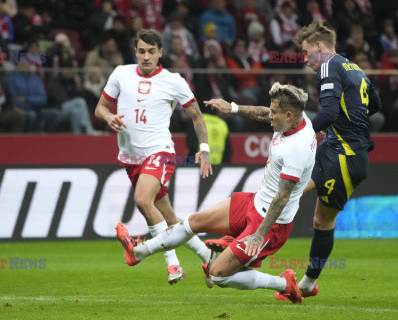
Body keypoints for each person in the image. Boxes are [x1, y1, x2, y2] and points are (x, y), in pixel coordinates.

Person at [117, 82, 316, 303]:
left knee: (217, 275)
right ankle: (138, 253)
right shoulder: (295, 119)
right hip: (254, 202)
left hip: (271, 224)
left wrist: (258, 235)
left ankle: (283, 284)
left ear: (288, 116)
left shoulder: (297, 148)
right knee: (194, 221)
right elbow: (263, 113)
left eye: (274, 113)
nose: (270, 117)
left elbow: (282, 198)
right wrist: (232, 107)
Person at [95, 29, 213, 285]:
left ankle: (172, 265)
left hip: (160, 152)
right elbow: (100, 108)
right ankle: (209, 257)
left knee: (141, 199)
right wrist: (109, 117)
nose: (146, 57)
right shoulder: (120, 74)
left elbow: (196, 115)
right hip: (131, 158)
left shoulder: (173, 81)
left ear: (160, 52)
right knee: (170, 219)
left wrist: (204, 150)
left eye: (151, 51)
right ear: (135, 51)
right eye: (141, 51)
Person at [275, 20, 381, 300]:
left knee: (321, 221)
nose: (306, 59)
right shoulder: (354, 67)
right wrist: (348, 122)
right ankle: (248, 245)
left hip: (344, 155)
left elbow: (331, 111)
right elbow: (376, 104)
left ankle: (307, 284)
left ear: (320, 47)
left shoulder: (328, 66)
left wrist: (302, 130)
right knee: (286, 192)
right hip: (337, 148)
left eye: (307, 52)